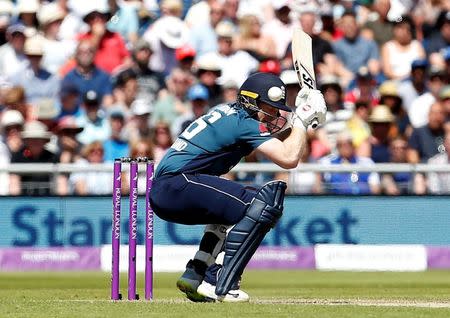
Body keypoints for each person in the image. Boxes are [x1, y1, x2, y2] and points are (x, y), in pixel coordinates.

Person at [149, 72, 326, 302]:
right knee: (263, 204)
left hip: (170, 188)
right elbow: (289, 157)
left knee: (233, 207)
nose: (273, 114)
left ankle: (196, 273)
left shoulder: (230, 113)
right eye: (269, 107)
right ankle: (219, 281)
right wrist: (302, 121)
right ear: (251, 101)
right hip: (178, 184)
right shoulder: (244, 123)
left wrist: (304, 122)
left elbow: (277, 141)